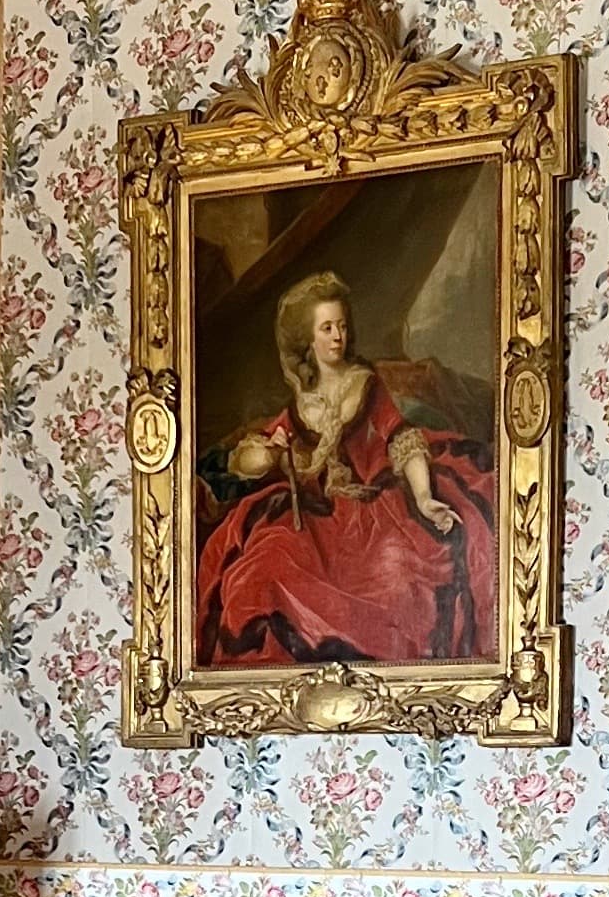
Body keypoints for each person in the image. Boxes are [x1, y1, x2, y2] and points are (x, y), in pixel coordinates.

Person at [193, 267, 497, 671]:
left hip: (374, 511)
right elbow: (249, 459)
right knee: (263, 565)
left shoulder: (364, 384)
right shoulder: (300, 402)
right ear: (308, 340)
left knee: (399, 572)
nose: (338, 336)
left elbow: (403, 441)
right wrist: (269, 455)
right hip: (315, 519)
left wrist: (424, 500)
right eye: (326, 328)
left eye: (341, 326)